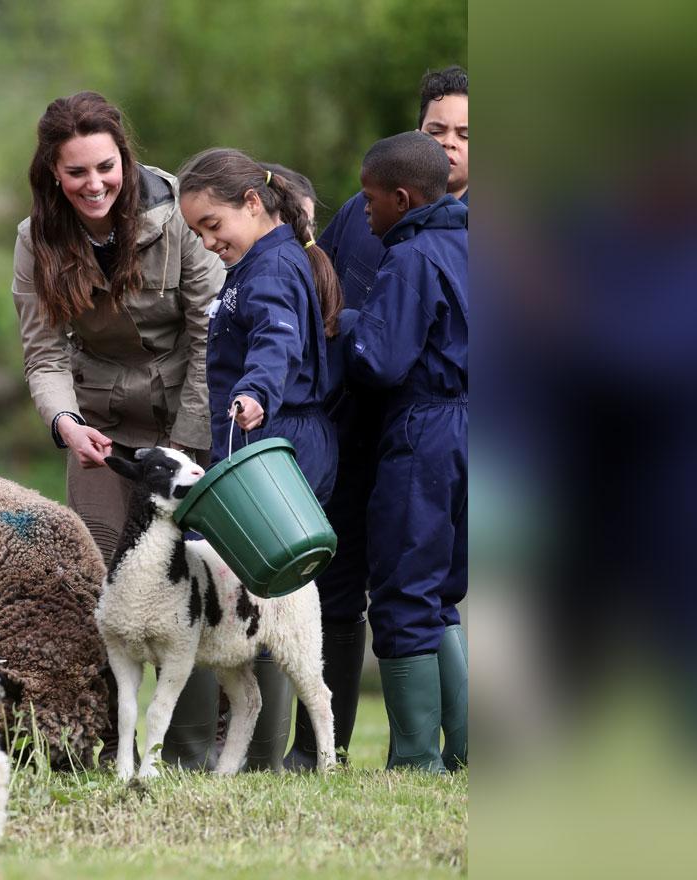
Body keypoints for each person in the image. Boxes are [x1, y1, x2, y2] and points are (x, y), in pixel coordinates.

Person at [10, 91, 225, 766]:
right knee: (105, 571)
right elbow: (43, 353)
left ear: (124, 160)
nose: (94, 183)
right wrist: (67, 424)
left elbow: (211, 332)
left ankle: (196, 747)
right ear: (52, 174)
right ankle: (110, 743)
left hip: (190, 413)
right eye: (76, 173)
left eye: (105, 167)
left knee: (195, 568)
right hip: (102, 425)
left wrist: (190, 441)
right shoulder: (34, 239)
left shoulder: (179, 216)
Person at [177, 148, 344, 771]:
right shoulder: (254, 262)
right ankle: (215, 747)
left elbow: (276, 340)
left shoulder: (271, 270)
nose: (208, 241)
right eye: (197, 233)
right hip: (257, 438)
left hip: (277, 443)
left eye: (212, 225)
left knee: (274, 585)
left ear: (253, 203)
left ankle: (261, 753)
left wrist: (255, 393)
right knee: (245, 579)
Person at [350, 132, 468, 772]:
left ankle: (417, 757)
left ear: (401, 198)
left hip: (426, 430)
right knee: (444, 589)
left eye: (370, 201)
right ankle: (469, 749)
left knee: (402, 589)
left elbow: (383, 362)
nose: (364, 213)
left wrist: (347, 330)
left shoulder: (413, 258)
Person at [418, 65, 469, 204]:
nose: (449, 142)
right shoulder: (374, 205)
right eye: (436, 132)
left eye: (464, 135)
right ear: (415, 138)